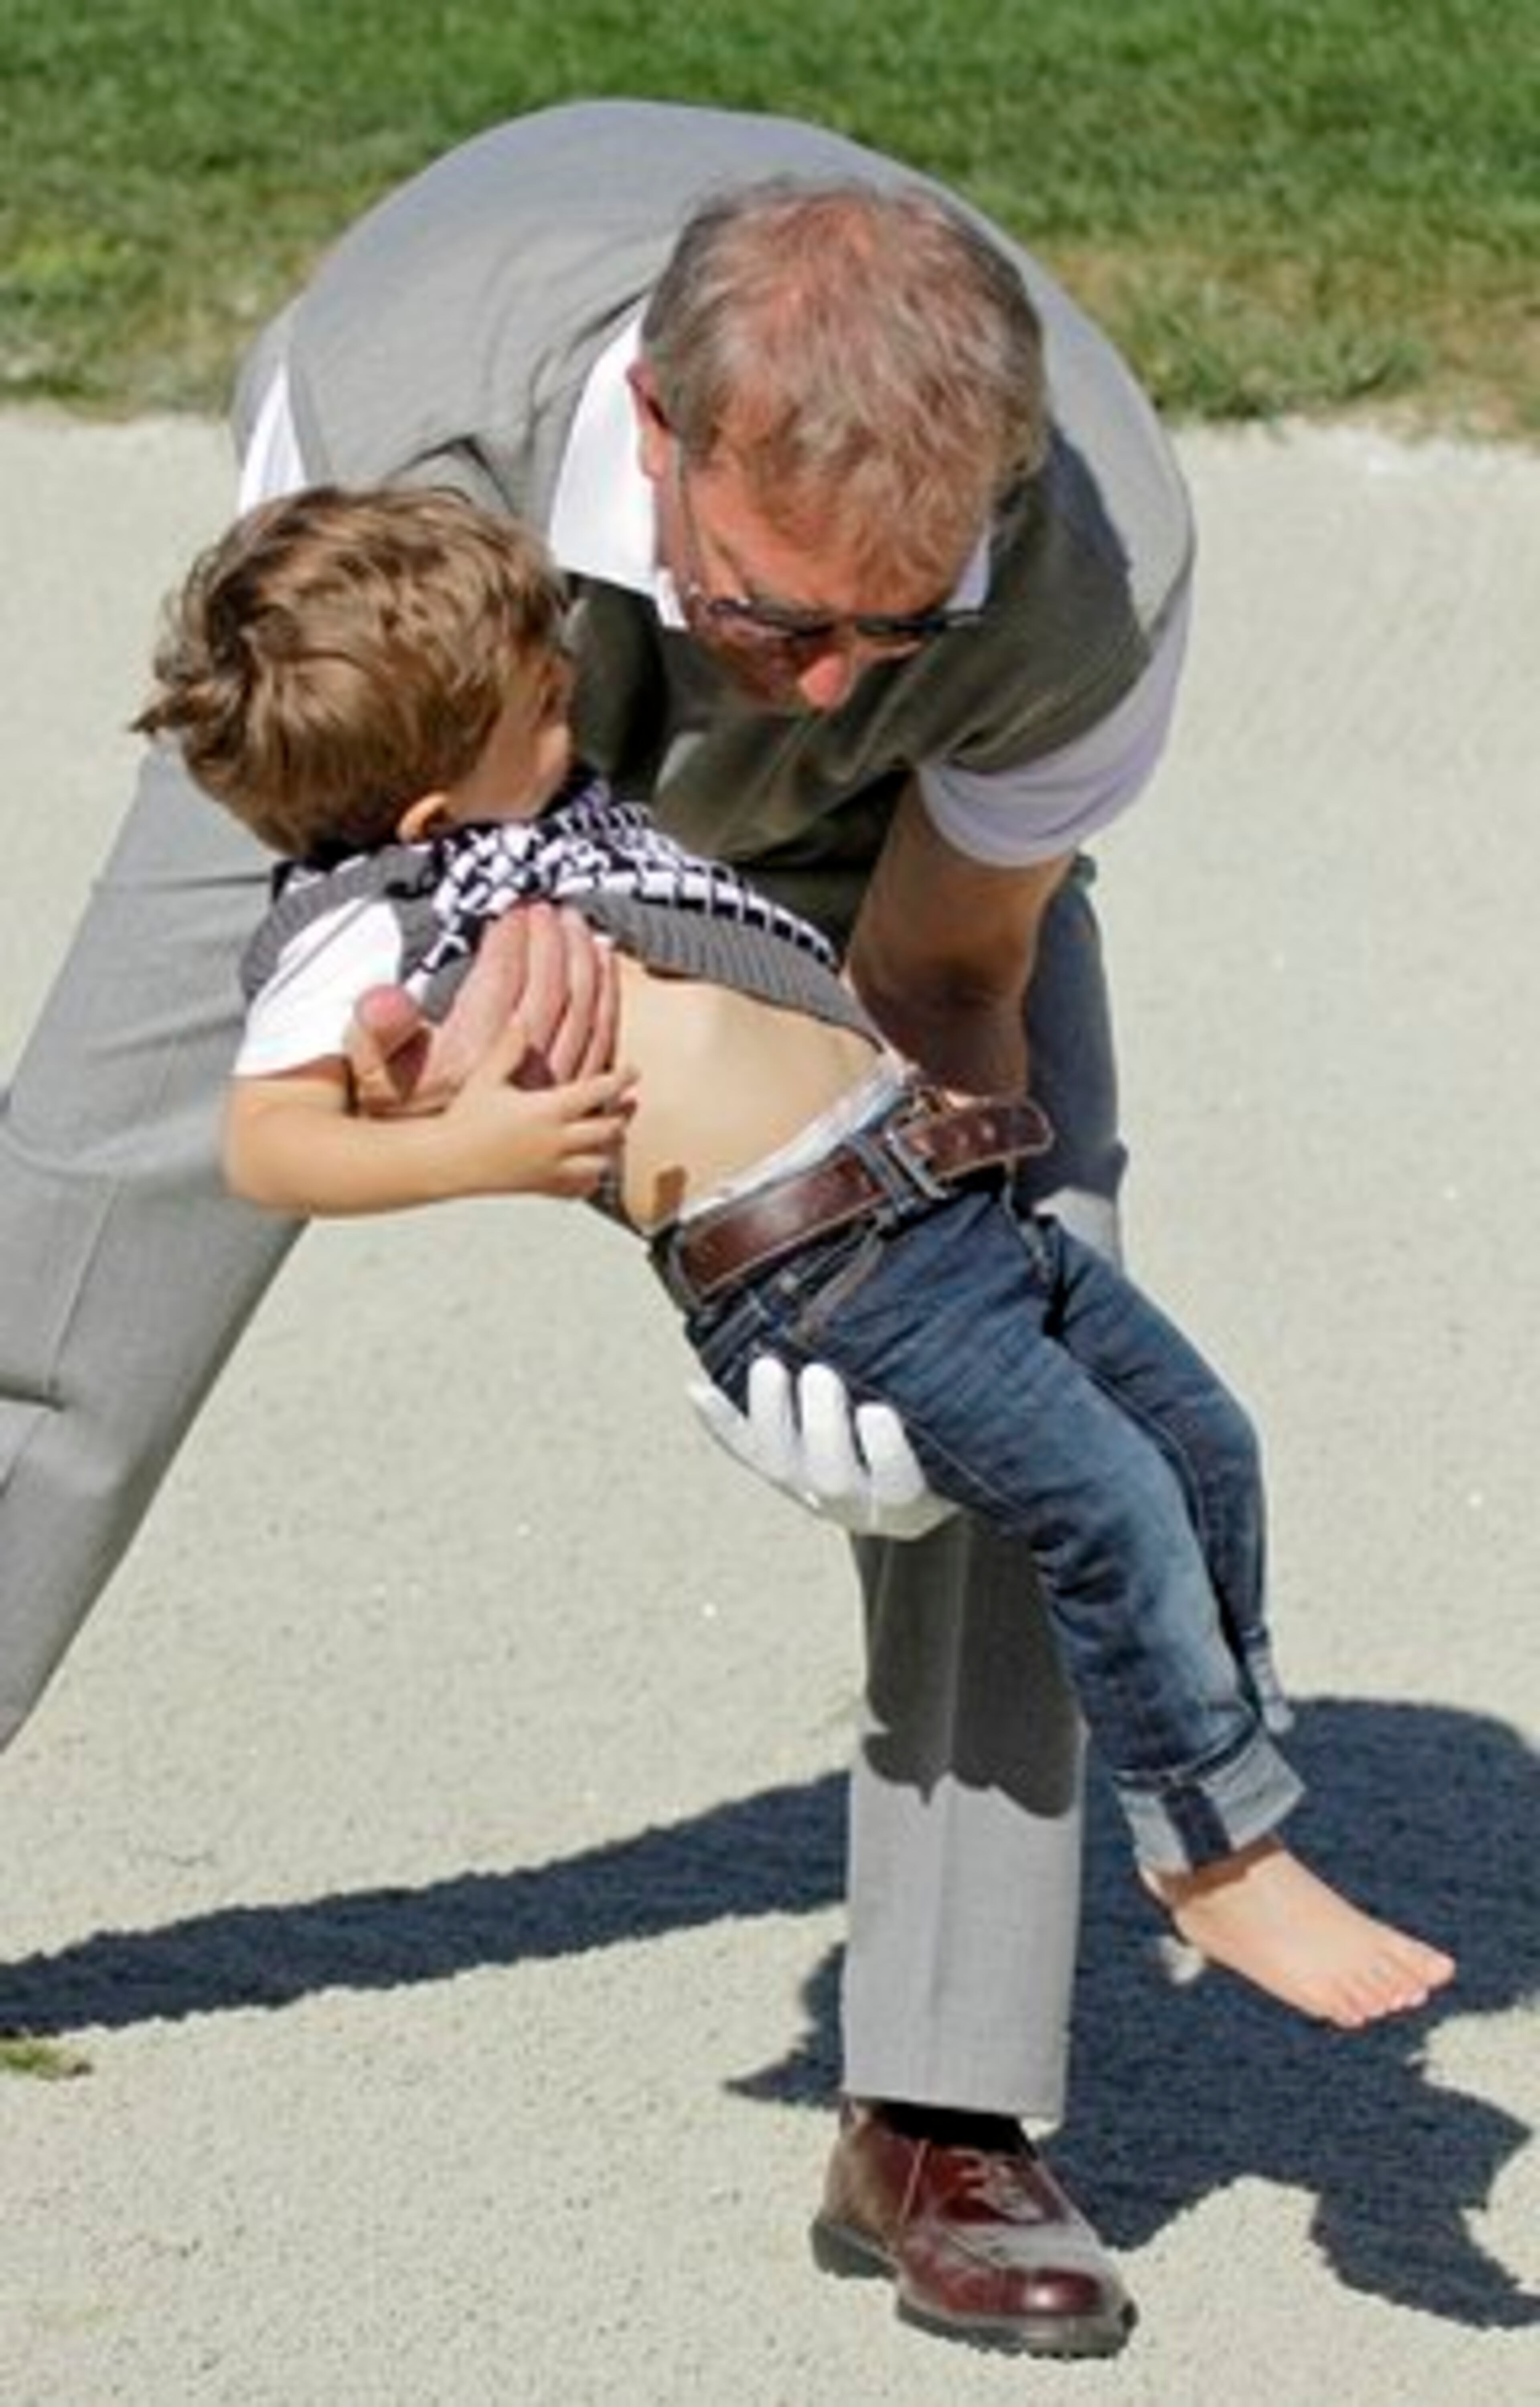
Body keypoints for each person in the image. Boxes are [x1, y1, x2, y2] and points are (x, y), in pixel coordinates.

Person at [3, 100, 1209, 2355]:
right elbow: (345, 870)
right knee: (69, 1220)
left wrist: (850, 1257)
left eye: (895, 617)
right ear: (655, 431)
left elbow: (953, 976)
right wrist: (509, 984)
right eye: (782, 609)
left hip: (873, 857)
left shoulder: (1082, 564)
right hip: (412, 708)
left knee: (1024, 1324)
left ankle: (943, 2107)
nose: (829, 667)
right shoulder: (399, 411)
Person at [140, 479, 1457, 2076]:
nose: (574, 702)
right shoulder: (369, 928)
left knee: (1202, 1439)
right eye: (540, 705)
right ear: (425, 807)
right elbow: (267, 1144)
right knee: (1104, 1497)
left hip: (938, 1196)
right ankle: (1216, 1858)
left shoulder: (540, 823)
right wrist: (476, 1141)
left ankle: (1233, 1767)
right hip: (824, 1270)